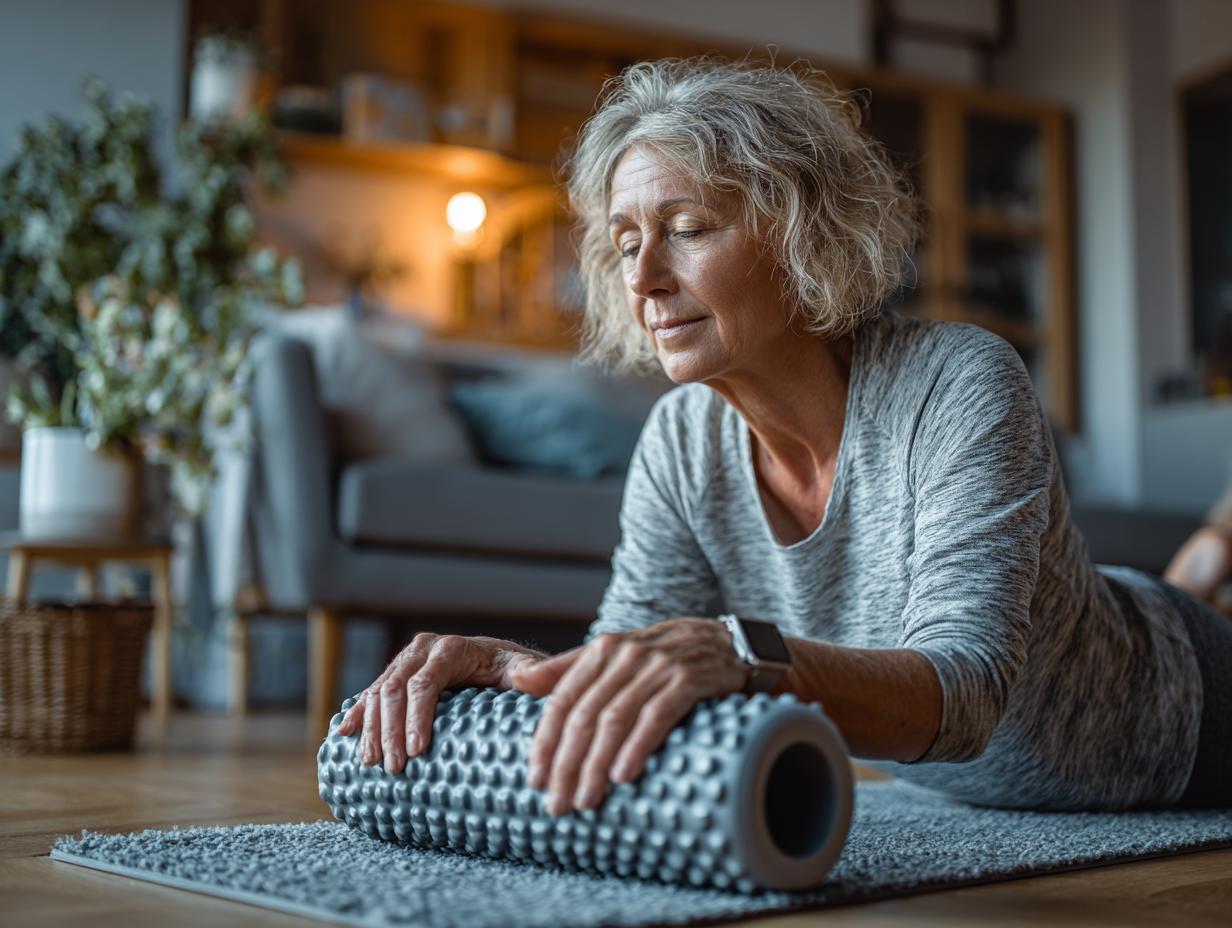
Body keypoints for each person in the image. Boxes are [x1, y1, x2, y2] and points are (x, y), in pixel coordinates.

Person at [339, 58, 1231, 813]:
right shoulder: (681, 442)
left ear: (805, 232)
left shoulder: (959, 381)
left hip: (1179, 711)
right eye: (622, 243)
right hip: (987, 779)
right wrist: (513, 671)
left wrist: (743, 655)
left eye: (687, 229)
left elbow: (963, 700)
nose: (644, 276)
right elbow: (635, 663)